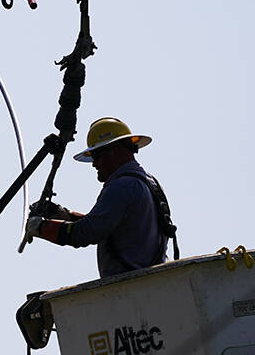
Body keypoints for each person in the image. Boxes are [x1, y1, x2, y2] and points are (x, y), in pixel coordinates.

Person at [25, 117, 175, 278]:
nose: (94, 164)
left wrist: (41, 227)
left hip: (130, 287)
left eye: (96, 156)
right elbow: (106, 225)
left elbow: (87, 232)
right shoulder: (147, 182)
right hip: (148, 282)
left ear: (114, 152)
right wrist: (65, 215)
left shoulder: (122, 186)